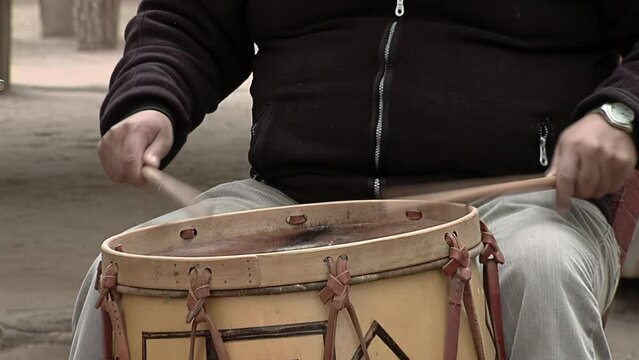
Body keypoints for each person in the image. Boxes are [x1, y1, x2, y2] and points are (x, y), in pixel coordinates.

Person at [70, 1, 639, 359]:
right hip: (294, 200)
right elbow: (187, 20)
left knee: (538, 270)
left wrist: (617, 114)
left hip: (514, 202)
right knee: (120, 277)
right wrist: (148, 103)